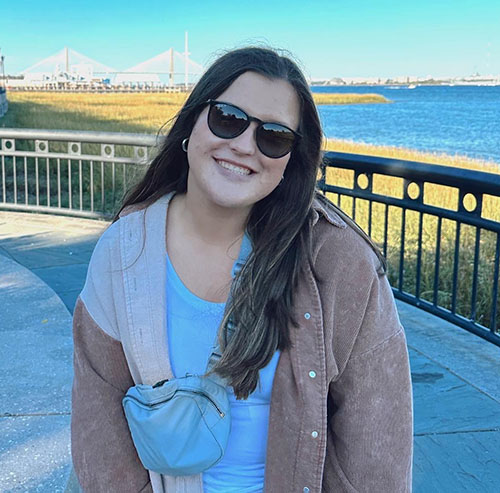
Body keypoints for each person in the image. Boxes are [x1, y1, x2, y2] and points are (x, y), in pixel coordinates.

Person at [71, 47, 413, 493]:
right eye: (228, 119)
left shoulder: (339, 264)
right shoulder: (123, 253)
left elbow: (376, 446)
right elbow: (100, 434)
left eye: (274, 137)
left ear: (291, 161)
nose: (245, 146)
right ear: (191, 125)